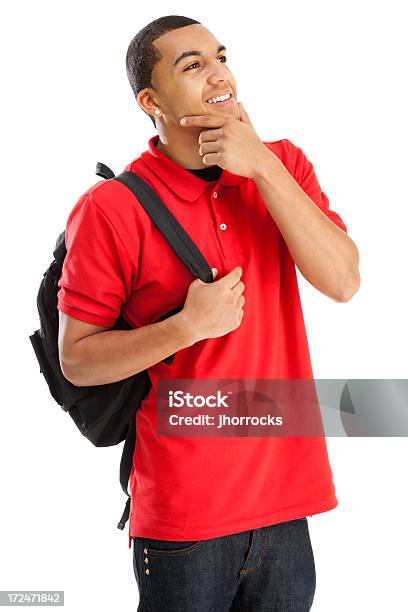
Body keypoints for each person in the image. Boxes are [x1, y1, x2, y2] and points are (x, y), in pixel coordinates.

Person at [57, 14, 360, 612]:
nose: (218, 74)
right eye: (191, 65)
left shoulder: (284, 166)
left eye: (220, 57)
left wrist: (263, 166)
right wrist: (186, 327)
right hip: (184, 519)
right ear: (151, 100)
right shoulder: (111, 209)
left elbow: (344, 281)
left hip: (286, 505)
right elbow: (77, 360)